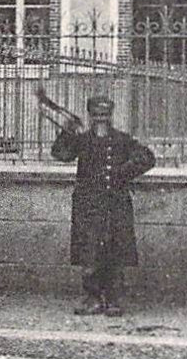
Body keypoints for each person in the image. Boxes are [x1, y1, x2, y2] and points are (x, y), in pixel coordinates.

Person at [49, 93, 156, 317]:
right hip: (89, 205)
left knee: (115, 252)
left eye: (105, 115)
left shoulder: (122, 140)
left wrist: (124, 173)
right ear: (90, 116)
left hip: (115, 204)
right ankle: (93, 298)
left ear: (111, 116)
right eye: (97, 115)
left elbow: (147, 158)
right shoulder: (82, 139)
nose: (101, 119)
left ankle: (114, 299)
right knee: (89, 252)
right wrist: (66, 132)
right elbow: (60, 154)